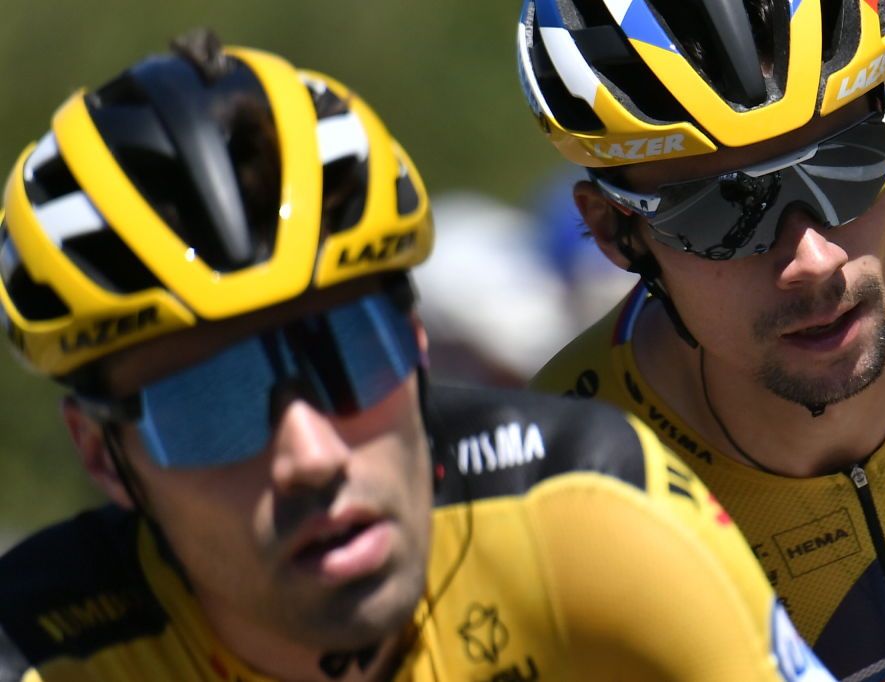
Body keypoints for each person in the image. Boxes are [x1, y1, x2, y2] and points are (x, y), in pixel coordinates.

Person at [0, 31, 834, 682]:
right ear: (102, 456)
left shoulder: (591, 511)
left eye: (351, 352)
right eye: (211, 403)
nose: (311, 455)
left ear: (419, 342)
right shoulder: (35, 652)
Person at [517, 1, 885, 680]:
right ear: (615, 231)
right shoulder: (560, 503)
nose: (813, 259)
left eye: (847, 163)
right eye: (724, 210)